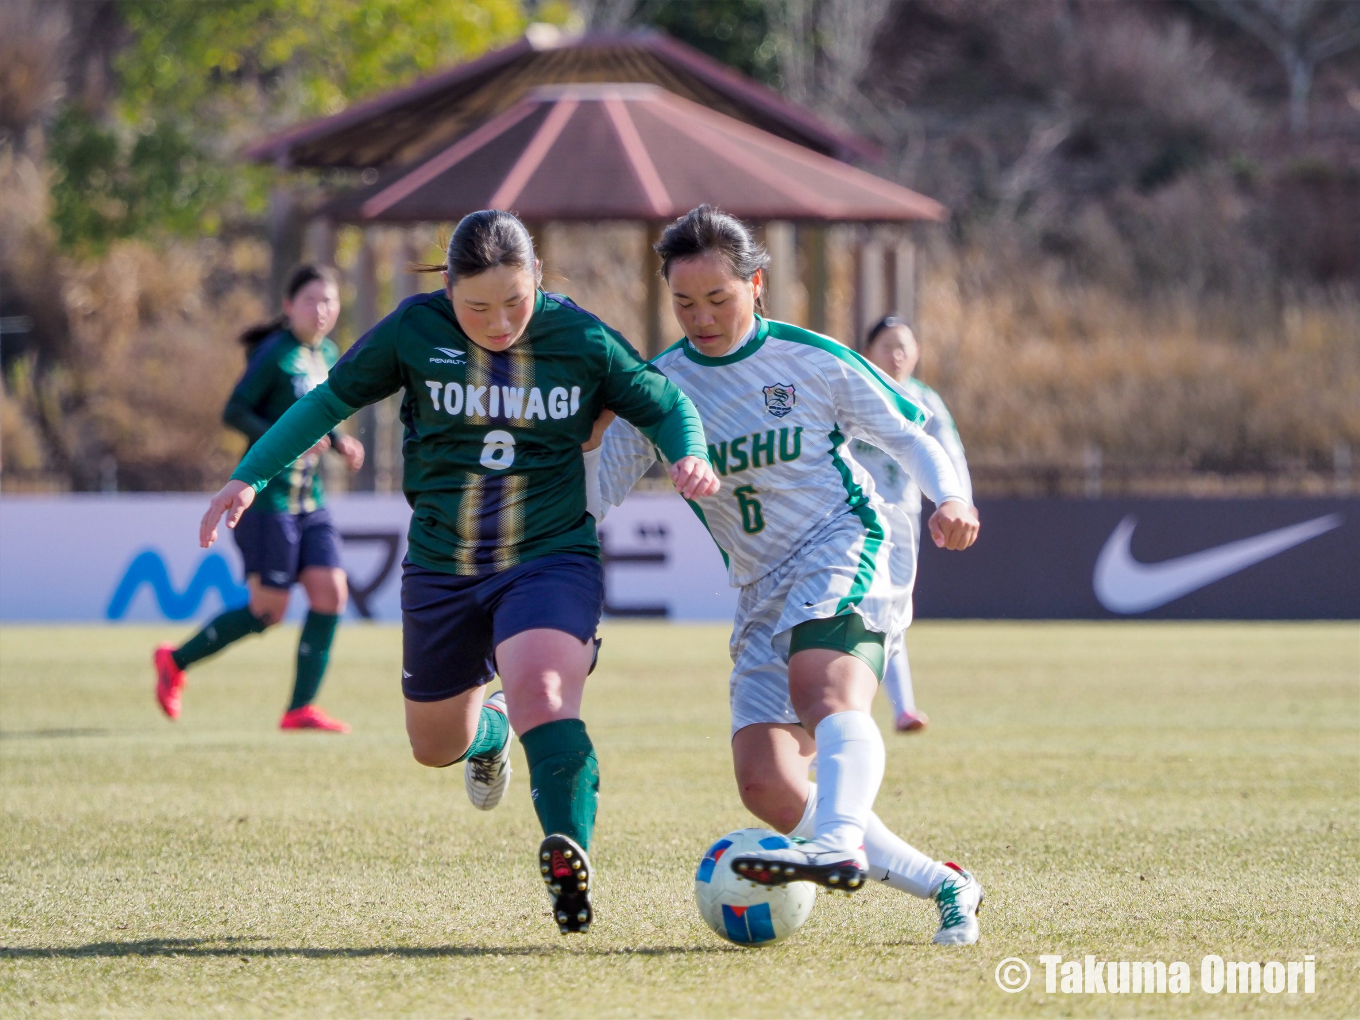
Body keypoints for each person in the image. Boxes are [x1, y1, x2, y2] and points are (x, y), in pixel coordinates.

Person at [197, 210, 719, 935]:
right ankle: (489, 733)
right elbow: (327, 402)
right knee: (435, 745)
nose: (500, 321)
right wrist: (251, 477)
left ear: (537, 278)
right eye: (477, 306)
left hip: (549, 556)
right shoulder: (415, 330)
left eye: (516, 300)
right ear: (448, 288)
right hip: (442, 567)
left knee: (543, 691)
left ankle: (568, 849)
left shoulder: (581, 338)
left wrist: (687, 450)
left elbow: (666, 404)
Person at [593, 205, 984, 945]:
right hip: (759, 588)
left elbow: (912, 435)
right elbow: (596, 493)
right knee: (767, 782)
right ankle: (946, 884)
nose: (701, 317)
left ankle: (836, 841)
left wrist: (954, 497)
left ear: (757, 285)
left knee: (824, 688)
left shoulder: (811, 359)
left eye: (718, 299)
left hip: (848, 544)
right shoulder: (660, 389)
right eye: (684, 303)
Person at [153, 265, 365, 733]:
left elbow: (320, 414)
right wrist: (281, 438)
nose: (322, 309)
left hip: (310, 499)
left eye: (329, 301)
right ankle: (175, 660)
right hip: (268, 501)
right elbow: (235, 410)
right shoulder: (275, 355)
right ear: (289, 306)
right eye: (311, 300)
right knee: (269, 610)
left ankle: (299, 709)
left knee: (331, 593)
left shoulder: (325, 353)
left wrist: (340, 440)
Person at [853, 315, 973, 733]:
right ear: (868, 352)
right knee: (857, 607)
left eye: (904, 345)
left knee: (894, 609)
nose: (897, 354)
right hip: (852, 520)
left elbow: (951, 453)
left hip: (902, 522)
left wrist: (961, 501)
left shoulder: (925, 399)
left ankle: (901, 708)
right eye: (887, 345)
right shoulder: (854, 389)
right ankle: (847, 714)